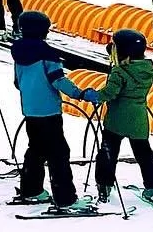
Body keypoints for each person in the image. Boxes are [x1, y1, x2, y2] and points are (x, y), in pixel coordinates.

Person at [10, 11, 99, 209]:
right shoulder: (47, 54)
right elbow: (58, 80)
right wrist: (81, 94)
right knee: (59, 153)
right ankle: (66, 198)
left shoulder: (18, 52)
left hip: (30, 111)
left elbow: (17, 82)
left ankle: (31, 190)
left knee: (36, 150)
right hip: (49, 111)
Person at [89, 29, 153, 208]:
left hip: (117, 119)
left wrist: (95, 96)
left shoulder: (120, 72)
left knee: (108, 152)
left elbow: (110, 93)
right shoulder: (147, 69)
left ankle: (104, 185)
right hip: (139, 119)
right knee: (144, 155)